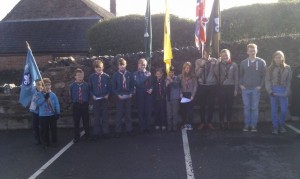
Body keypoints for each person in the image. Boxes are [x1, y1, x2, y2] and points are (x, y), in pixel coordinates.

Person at [240, 43, 266, 132]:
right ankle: (247, 125)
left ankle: (253, 125)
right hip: (245, 89)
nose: (252, 52)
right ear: (247, 52)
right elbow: (240, 75)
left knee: (254, 107)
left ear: (256, 51)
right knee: (246, 107)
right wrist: (241, 84)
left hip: (256, 89)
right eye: (250, 51)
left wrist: (260, 86)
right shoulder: (243, 62)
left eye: (253, 50)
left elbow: (264, 76)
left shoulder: (262, 62)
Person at [265, 51, 292, 134]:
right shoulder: (270, 68)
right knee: (274, 109)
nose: (278, 59)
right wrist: (270, 91)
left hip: (283, 90)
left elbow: (289, 81)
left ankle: (281, 125)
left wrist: (287, 91)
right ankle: (275, 127)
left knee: (284, 109)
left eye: (280, 57)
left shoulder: (288, 68)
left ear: (283, 58)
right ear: (273, 58)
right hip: (274, 90)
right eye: (276, 57)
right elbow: (267, 80)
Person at [195, 48, 219, 130]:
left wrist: (215, 65)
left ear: (210, 53)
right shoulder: (198, 61)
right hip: (202, 86)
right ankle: (202, 122)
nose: (206, 55)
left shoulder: (214, 60)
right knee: (202, 105)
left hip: (212, 85)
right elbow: (197, 75)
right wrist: (202, 65)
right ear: (203, 53)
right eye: (205, 53)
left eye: (208, 53)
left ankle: (209, 122)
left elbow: (217, 73)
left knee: (211, 105)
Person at [112, 58, 134, 137]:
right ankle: (118, 131)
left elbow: (132, 86)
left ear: (126, 65)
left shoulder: (129, 74)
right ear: (118, 66)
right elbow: (113, 88)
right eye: (120, 65)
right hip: (119, 97)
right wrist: (118, 95)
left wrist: (131, 93)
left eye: (123, 65)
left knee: (128, 114)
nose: (122, 67)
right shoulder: (115, 75)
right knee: (119, 114)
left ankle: (129, 130)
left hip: (128, 96)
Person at [89, 60, 111, 139]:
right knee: (96, 116)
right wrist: (93, 95)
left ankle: (105, 132)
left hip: (104, 99)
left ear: (103, 68)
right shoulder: (92, 77)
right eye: (97, 68)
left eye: (100, 68)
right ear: (94, 68)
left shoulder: (106, 76)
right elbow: (90, 89)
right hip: (96, 99)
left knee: (105, 116)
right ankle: (96, 133)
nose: (98, 69)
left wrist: (108, 94)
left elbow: (109, 87)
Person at [36, 78, 60, 148]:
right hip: (43, 115)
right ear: (42, 86)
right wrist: (44, 98)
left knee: (53, 129)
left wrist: (57, 112)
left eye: (49, 85)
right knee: (44, 130)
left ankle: (54, 141)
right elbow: (37, 103)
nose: (47, 86)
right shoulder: (39, 94)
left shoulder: (53, 94)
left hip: (52, 114)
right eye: (45, 85)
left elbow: (56, 104)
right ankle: (46, 142)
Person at [218, 49, 239, 129]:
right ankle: (221, 121)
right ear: (220, 56)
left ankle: (229, 121)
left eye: (226, 55)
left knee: (230, 106)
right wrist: (217, 63)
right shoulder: (219, 64)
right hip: (221, 87)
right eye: (223, 55)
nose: (225, 57)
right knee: (221, 106)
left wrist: (236, 89)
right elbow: (216, 74)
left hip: (231, 87)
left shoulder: (234, 65)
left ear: (229, 55)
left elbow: (236, 78)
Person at [69, 68, 90, 143]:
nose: (80, 77)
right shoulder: (72, 86)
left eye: (82, 75)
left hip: (84, 104)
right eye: (78, 75)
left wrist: (88, 103)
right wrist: (74, 102)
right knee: (76, 122)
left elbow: (88, 94)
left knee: (86, 121)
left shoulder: (87, 85)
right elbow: (71, 95)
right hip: (76, 105)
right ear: (75, 76)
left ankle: (87, 135)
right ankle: (76, 137)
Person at [133, 58, 152, 133]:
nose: (142, 66)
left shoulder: (149, 73)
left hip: (148, 95)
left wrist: (151, 89)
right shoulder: (135, 74)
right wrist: (145, 76)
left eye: (144, 65)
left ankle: (148, 127)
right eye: (141, 64)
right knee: (141, 112)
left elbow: (152, 84)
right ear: (138, 65)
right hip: (139, 95)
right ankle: (142, 128)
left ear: (146, 65)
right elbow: (138, 83)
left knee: (148, 111)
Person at [180, 62, 197, 130]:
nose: (186, 69)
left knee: (190, 110)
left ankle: (190, 124)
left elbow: (195, 86)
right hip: (183, 94)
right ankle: (184, 124)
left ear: (190, 69)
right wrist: (180, 93)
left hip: (190, 94)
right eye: (185, 68)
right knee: (183, 110)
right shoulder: (181, 76)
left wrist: (193, 95)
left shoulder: (193, 76)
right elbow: (180, 86)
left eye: (188, 68)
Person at [166, 66, 181, 132]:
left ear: (174, 72)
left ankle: (175, 126)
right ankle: (169, 126)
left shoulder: (177, 78)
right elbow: (163, 88)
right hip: (168, 98)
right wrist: (166, 84)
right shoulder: (166, 79)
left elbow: (176, 85)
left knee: (175, 113)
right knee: (169, 113)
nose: (171, 73)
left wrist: (171, 80)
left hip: (175, 98)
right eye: (170, 72)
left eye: (172, 72)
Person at [29, 81, 43, 145]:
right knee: (35, 126)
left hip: (42, 112)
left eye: (40, 85)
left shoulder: (43, 93)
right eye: (37, 85)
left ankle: (43, 139)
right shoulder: (33, 92)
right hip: (35, 111)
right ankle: (38, 139)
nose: (39, 86)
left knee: (42, 126)